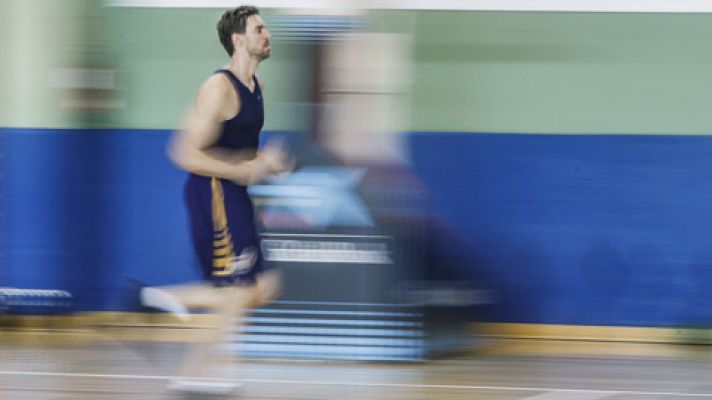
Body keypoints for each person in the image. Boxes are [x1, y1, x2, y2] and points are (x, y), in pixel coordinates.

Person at [138, 5, 290, 395]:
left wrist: (268, 165)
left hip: (235, 193)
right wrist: (247, 170)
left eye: (266, 28)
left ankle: (165, 301)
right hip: (213, 193)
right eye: (259, 29)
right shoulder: (218, 88)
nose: (267, 35)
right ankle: (199, 371)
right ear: (238, 40)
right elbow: (182, 152)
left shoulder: (257, 87)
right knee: (236, 291)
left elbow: (241, 156)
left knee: (264, 288)